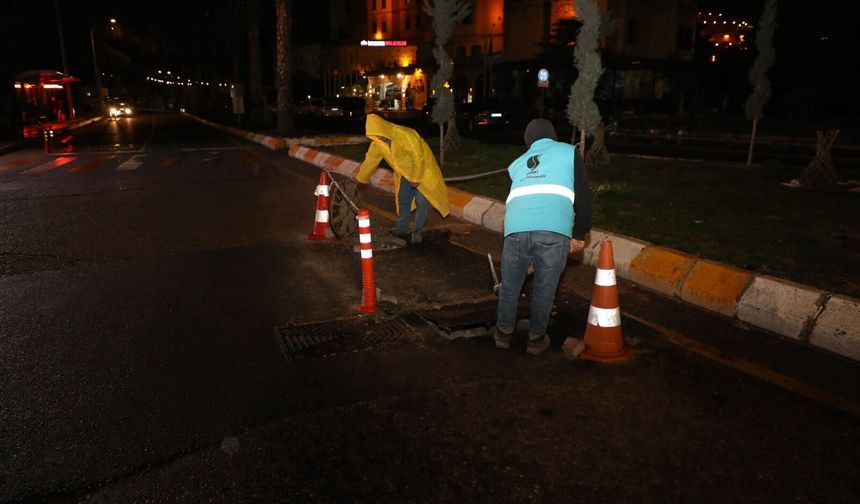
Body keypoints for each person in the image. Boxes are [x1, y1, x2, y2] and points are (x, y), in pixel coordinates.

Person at [495, 118, 592, 355]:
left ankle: (503, 334)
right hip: (553, 231)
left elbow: (519, 201)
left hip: (516, 230)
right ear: (552, 136)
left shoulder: (517, 164)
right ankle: (536, 340)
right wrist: (579, 232)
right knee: (544, 289)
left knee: (509, 286)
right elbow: (584, 197)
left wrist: (523, 252)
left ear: (528, 141)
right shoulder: (569, 153)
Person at [356, 114, 450, 243]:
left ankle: (417, 232)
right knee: (403, 200)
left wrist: (416, 178)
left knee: (421, 201)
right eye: (374, 135)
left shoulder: (405, 134)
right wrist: (361, 178)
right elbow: (371, 160)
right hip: (405, 174)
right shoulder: (378, 144)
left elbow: (418, 157)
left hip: (423, 172)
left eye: (378, 133)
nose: (378, 137)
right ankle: (402, 228)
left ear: (383, 128)